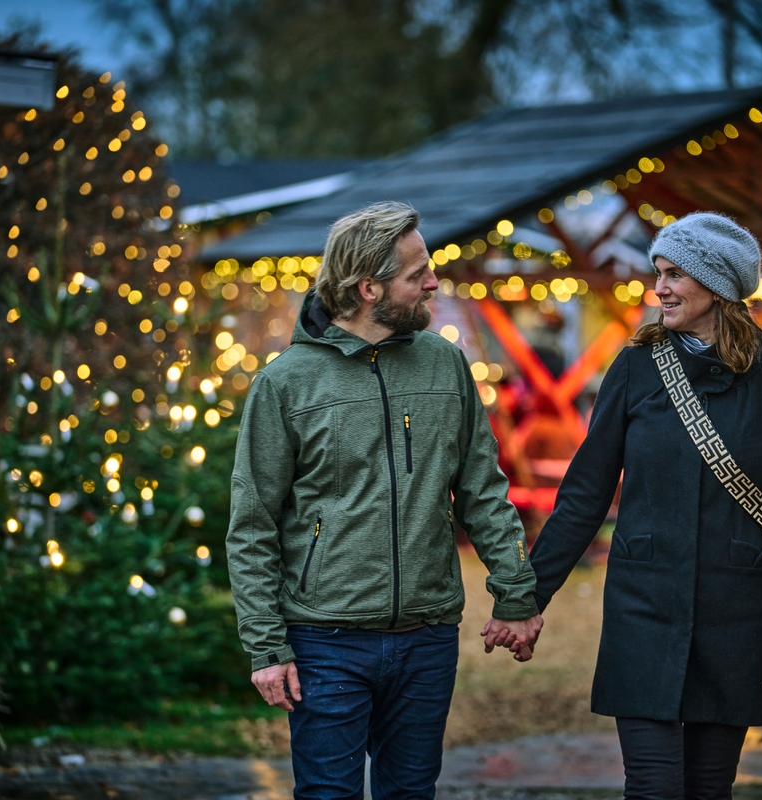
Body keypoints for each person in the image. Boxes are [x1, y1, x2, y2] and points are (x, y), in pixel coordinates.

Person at [226, 201, 543, 799]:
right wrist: (266, 646)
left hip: (427, 636)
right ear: (368, 288)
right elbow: (253, 525)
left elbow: (483, 489)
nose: (433, 282)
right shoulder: (285, 383)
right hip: (325, 640)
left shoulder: (446, 365)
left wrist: (516, 596)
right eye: (416, 273)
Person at [529, 213, 762, 800]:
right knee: (654, 786)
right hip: (643, 608)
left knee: (708, 788)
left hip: (740, 613)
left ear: (717, 283)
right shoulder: (635, 366)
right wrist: (527, 597)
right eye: (657, 272)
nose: (659, 288)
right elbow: (586, 493)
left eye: (675, 274)